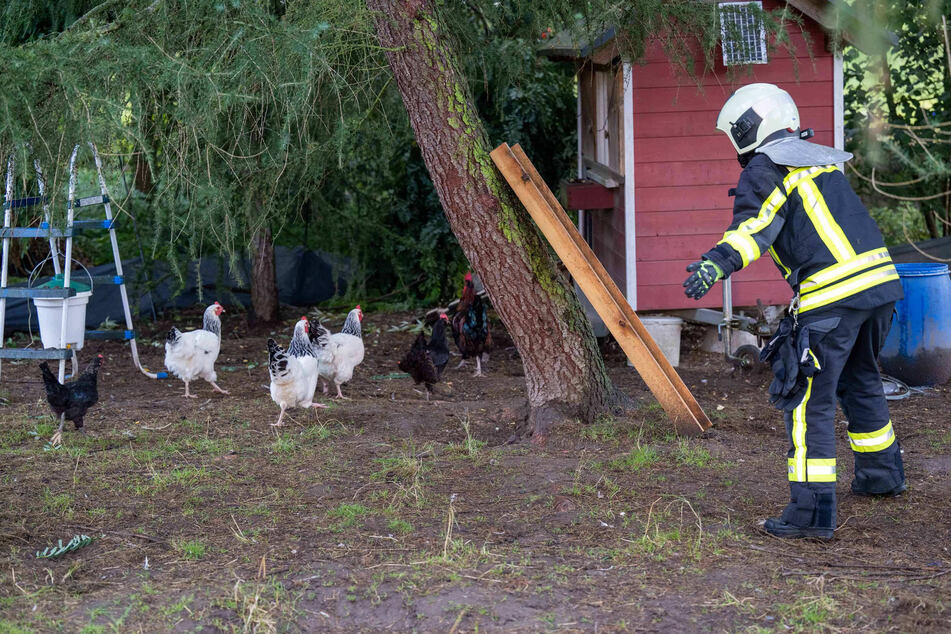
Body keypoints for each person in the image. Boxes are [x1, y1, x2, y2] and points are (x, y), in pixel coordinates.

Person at [683, 83, 906, 539]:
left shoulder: (766, 166)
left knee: (806, 399)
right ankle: (882, 477)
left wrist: (715, 263)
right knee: (860, 379)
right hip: (880, 288)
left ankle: (810, 513)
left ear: (750, 127)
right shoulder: (816, 158)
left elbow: (755, 226)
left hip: (833, 297)